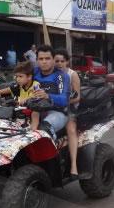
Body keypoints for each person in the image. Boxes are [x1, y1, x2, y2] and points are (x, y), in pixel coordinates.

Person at [32, 45, 70, 140]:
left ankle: (53, 153)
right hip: (35, 110)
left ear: (53, 59)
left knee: (44, 128)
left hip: (57, 112)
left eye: (47, 58)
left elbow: (64, 100)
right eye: (41, 59)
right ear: (37, 60)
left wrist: (47, 95)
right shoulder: (33, 72)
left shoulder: (61, 76)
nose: (44, 62)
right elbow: (17, 84)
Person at [54, 49, 81, 178]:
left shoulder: (72, 74)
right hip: (51, 107)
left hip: (69, 108)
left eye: (62, 61)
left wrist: (63, 101)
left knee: (70, 129)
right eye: (57, 61)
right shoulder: (50, 74)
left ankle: (74, 165)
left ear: (67, 62)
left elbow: (77, 97)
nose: (59, 63)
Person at [0, 61, 40, 125]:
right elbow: (9, 89)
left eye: (20, 76)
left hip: (30, 114)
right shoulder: (20, 85)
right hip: (19, 111)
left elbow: (35, 96)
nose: (17, 79)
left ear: (29, 77)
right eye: (16, 76)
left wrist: (24, 100)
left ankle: (34, 131)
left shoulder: (36, 85)